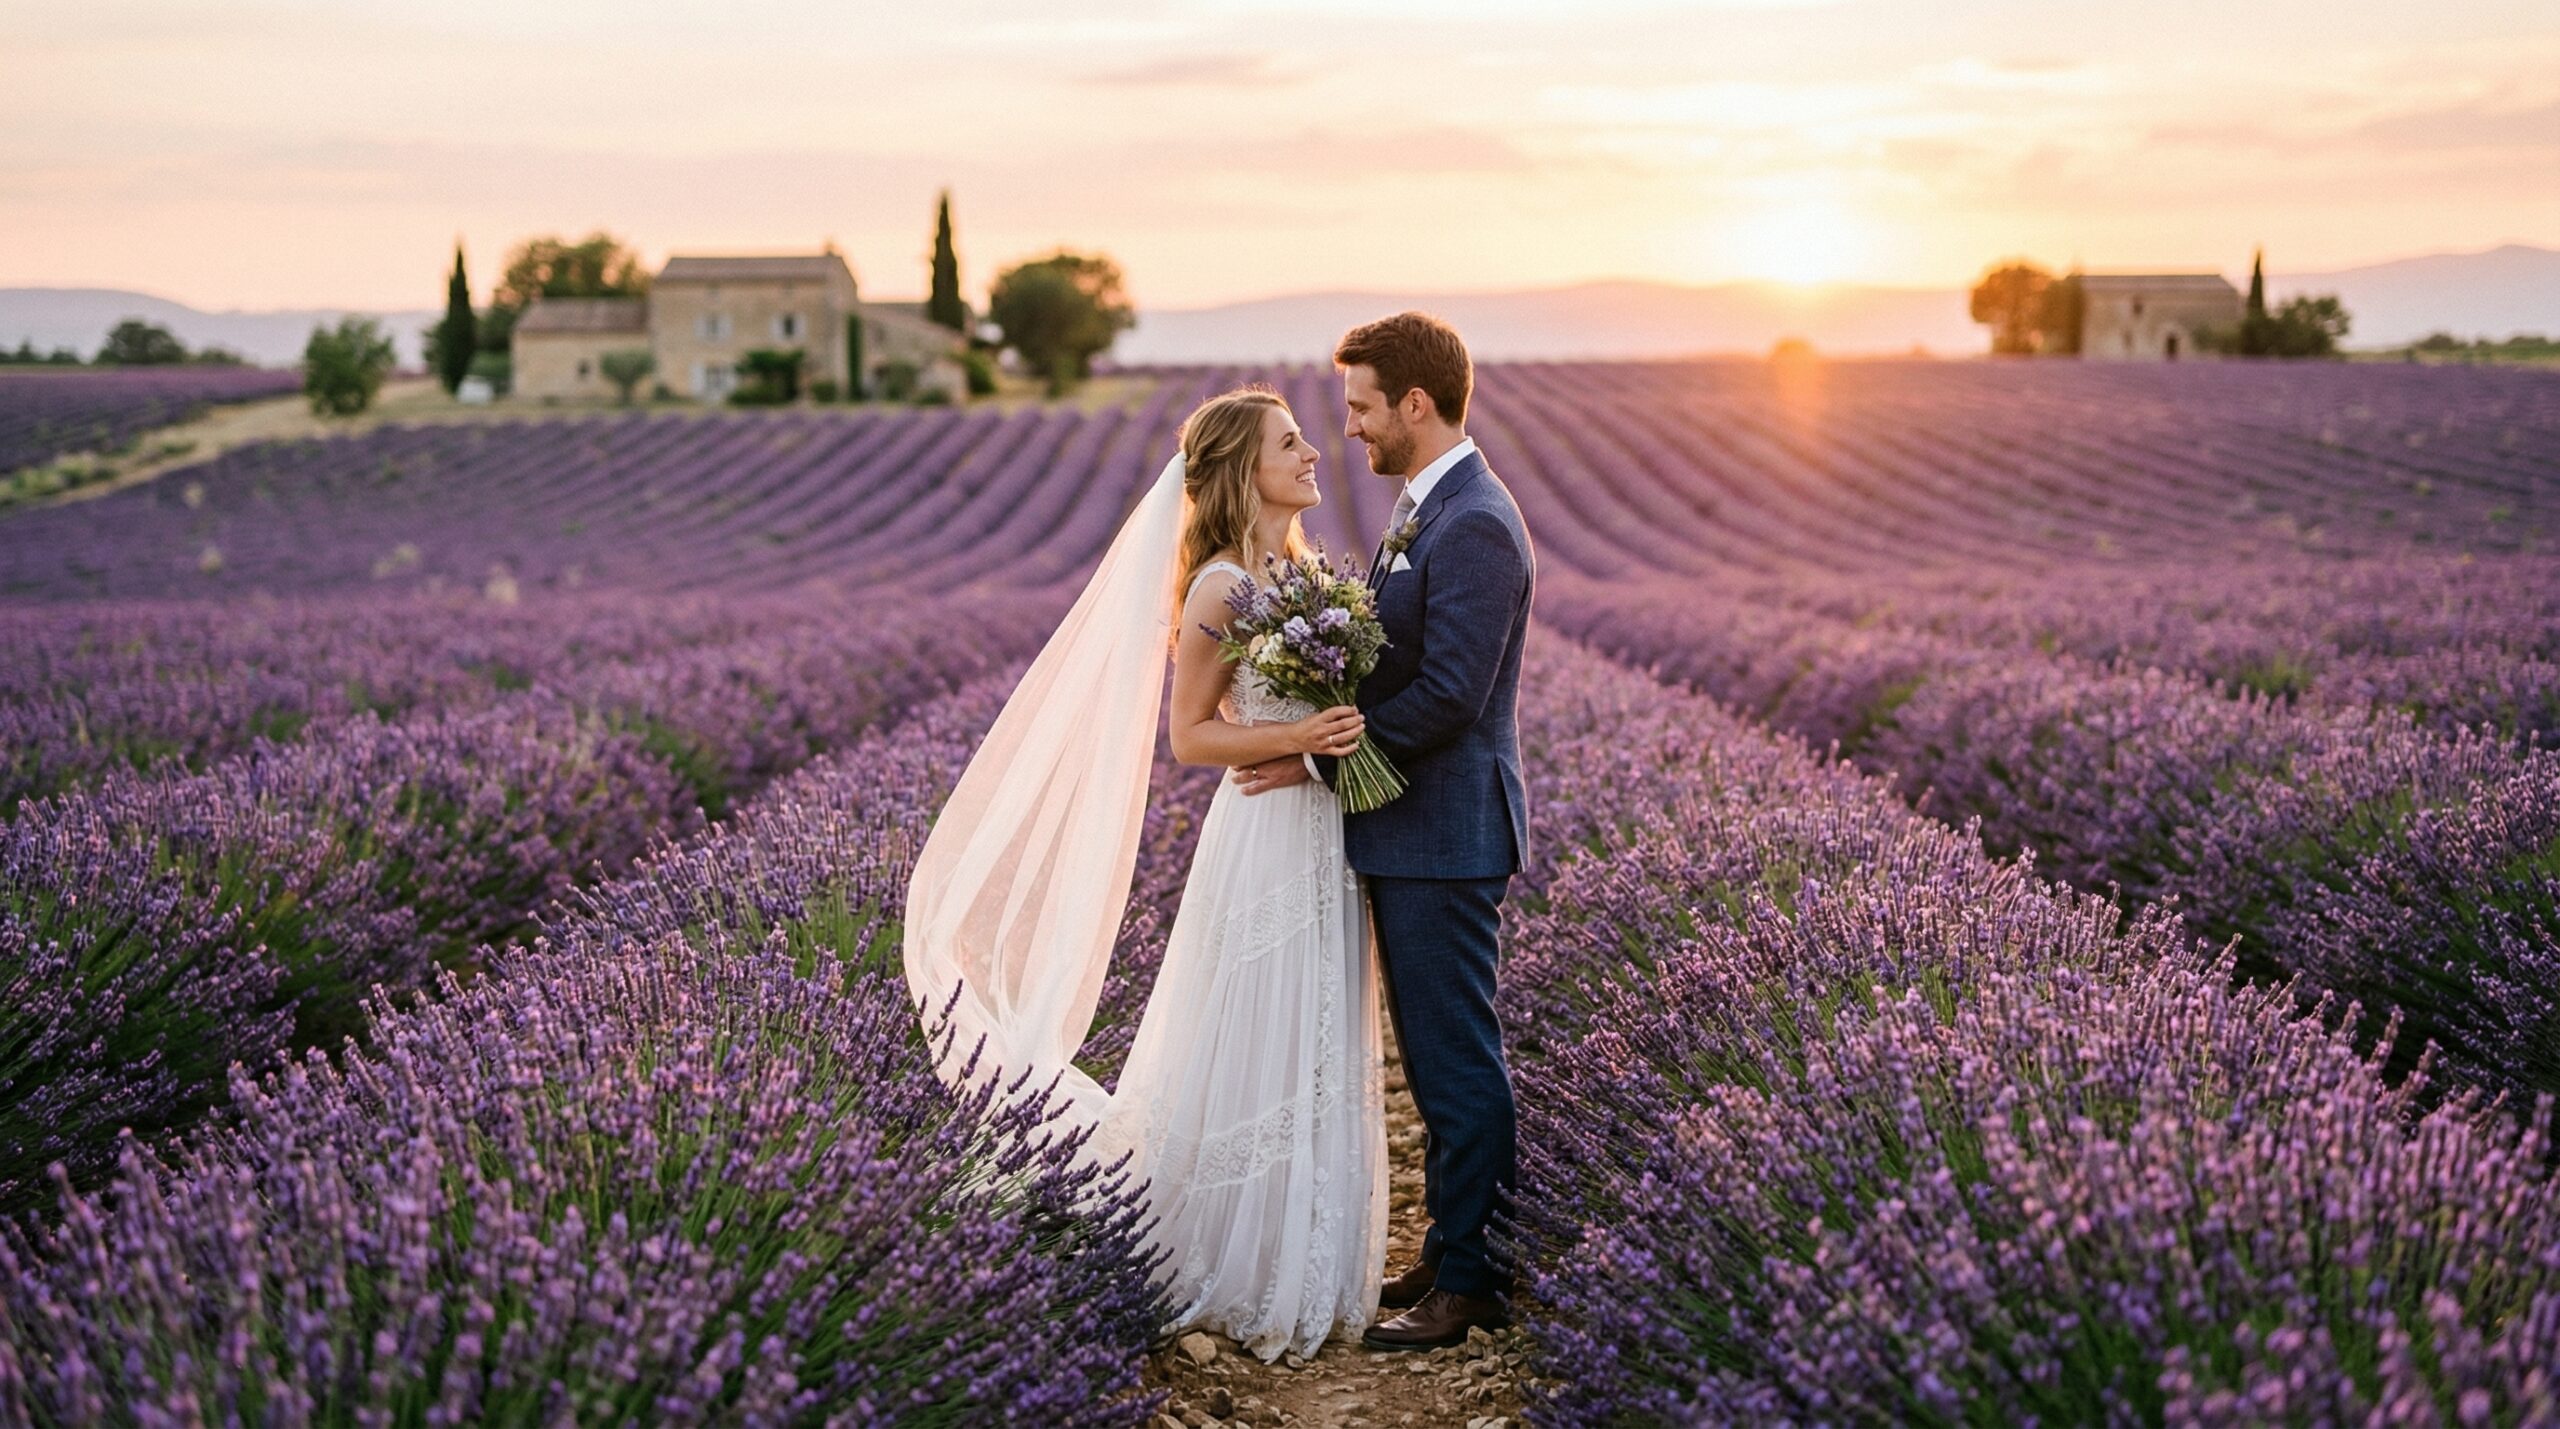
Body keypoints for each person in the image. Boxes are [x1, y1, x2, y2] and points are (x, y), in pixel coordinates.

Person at [903, 384, 1390, 1362]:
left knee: (1316, 1029)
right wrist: (1301, 734)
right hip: (1257, 835)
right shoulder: (1217, 586)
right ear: (1238, 471)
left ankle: (1305, 1254)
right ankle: (1231, 1258)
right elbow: (1189, 733)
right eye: (1287, 443)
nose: (1311, 453)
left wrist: (1330, 746)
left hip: (1320, 830)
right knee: (1252, 1025)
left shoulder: (1296, 574)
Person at [1228, 312, 1536, 1350]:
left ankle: (1475, 1279)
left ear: (1415, 402)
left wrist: (1318, 753)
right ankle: (1452, 1250)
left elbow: (1452, 693)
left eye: (1361, 406)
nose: (1349, 428)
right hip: (1412, 830)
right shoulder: (1427, 511)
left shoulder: (1476, 522)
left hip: (1447, 833)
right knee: (1435, 1051)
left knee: (1455, 1060)